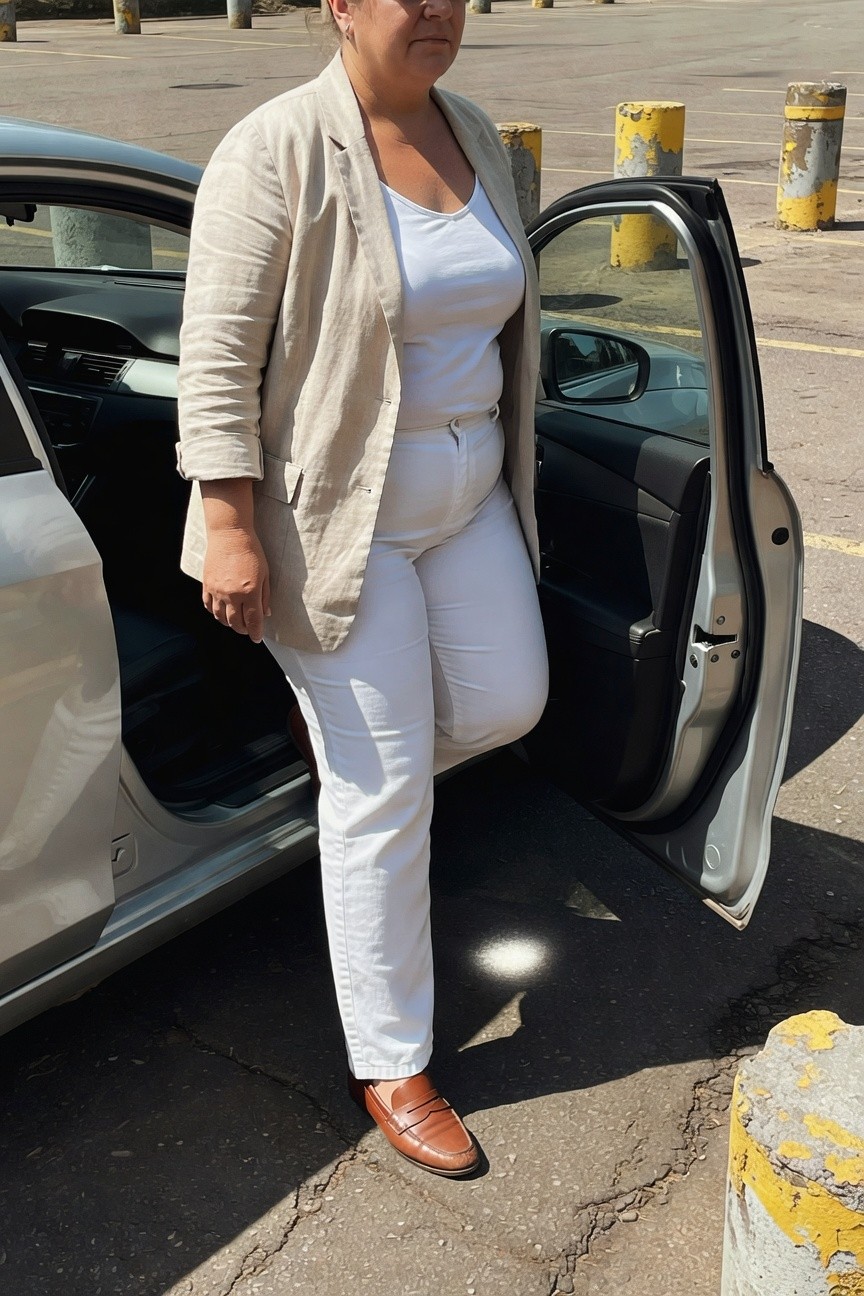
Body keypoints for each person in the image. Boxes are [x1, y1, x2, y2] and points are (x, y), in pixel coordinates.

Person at [176, 0, 548, 1178]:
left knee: (505, 708)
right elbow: (217, 354)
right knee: (386, 797)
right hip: (342, 521)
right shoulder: (276, 146)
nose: (435, 9)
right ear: (340, 3)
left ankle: (351, 759)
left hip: (473, 496)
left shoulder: (478, 131)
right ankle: (393, 1058)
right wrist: (230, 524)